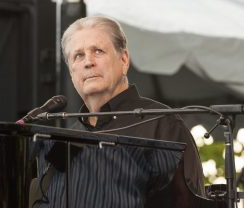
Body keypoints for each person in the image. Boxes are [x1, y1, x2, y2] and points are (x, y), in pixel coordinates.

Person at [35, 16, 205, 208]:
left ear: (124, 60)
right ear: (72, 72)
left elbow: (186, 203)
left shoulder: (161, 124)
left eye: (98, 51)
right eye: (78, 56)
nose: (88, 62)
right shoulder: (64, 140)